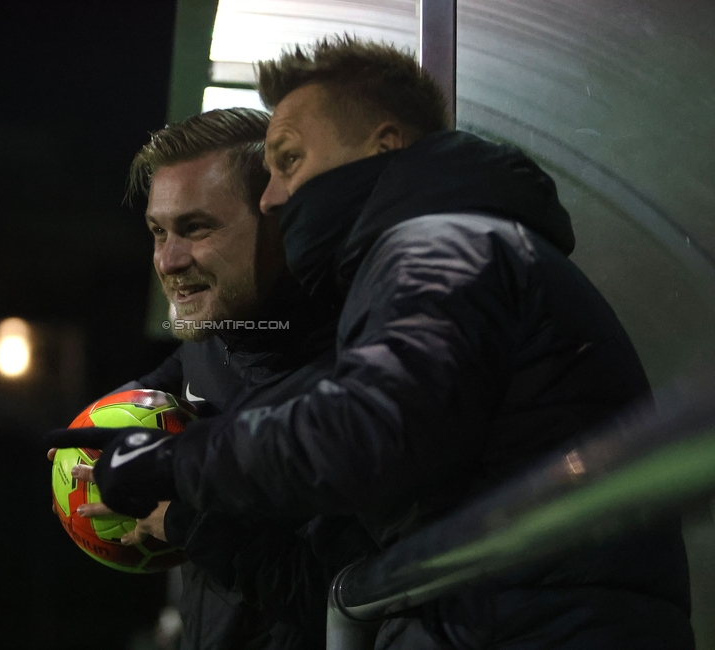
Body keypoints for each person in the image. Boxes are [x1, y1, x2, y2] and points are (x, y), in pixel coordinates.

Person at [54, 37, 694, 648]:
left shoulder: (441, 251)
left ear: (381, 146)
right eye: (156, 232)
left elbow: (370, 430)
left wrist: (178, 472)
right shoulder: (410, 268)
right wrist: (131, 423)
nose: (277, 196)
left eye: (291, 160)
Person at [49, 107, 374, 649]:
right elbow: (188, 370)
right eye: (158, 231)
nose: (169, 260)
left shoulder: (358, 383)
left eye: (196, 228)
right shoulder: (225, 330)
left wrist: (189, 522)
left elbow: (358, 603)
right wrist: (118, 410)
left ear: (284, 220)